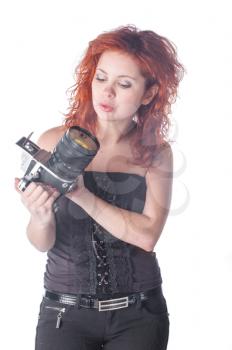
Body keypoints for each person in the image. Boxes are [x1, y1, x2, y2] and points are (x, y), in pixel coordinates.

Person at [15, 24, 185, 350]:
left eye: (124, 84)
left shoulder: (155, 153)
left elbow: (146, 236)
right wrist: (39, 216)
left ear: (148, 94)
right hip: (64, 313)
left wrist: (80, 194)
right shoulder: (53, 142)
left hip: (140, 315)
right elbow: (41, 243)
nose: (107, 93)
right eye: (101, 78)